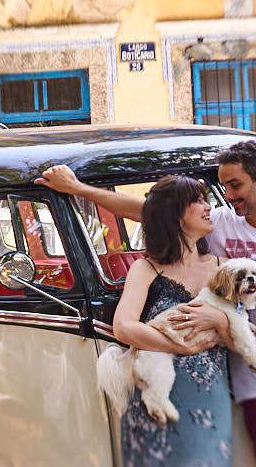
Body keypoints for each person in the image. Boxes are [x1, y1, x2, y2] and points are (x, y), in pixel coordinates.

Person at [36, 139, 256, 467]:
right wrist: (77, 188)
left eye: (235, 185)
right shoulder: (221, 224)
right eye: (223, 187)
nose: (227, 197)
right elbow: (150, 212)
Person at [103, 174, 240, 466]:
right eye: (198, 201)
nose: (208, 207)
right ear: (177, 217)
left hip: (209, 396)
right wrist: (181, 347)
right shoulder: (146, 268)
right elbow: (124, 327)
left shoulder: (223, 268)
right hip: (156, 396)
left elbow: (237, 338)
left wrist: (217, 318)